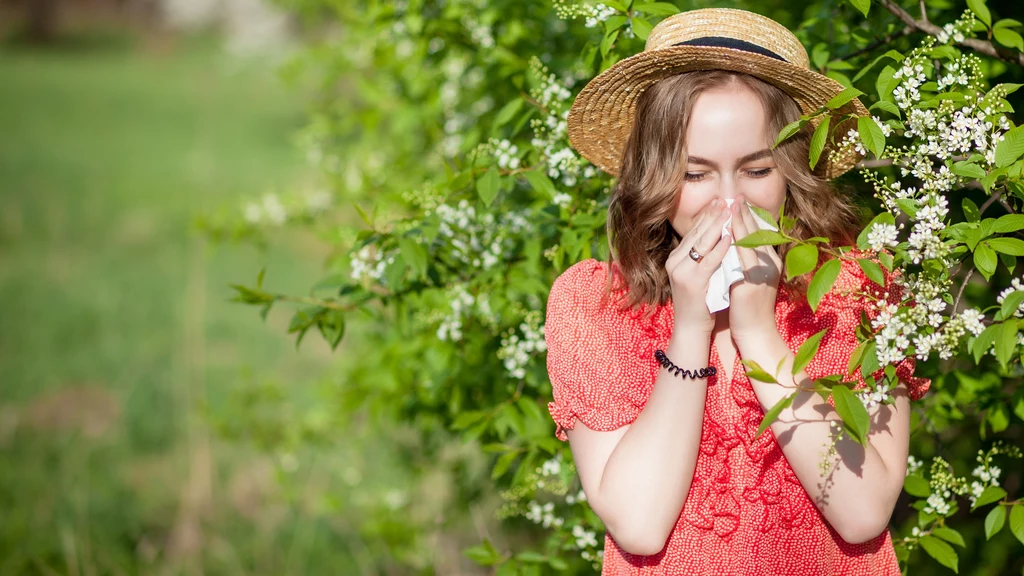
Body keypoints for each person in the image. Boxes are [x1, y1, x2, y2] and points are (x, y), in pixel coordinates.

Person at [544, 8, 931, 575]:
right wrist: (691, 326)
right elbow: (639, 524)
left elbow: (863, 511)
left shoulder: (857, 288)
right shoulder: (595, 305)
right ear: (654, 175)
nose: (728, 202)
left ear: (792, 170)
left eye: (755, 170)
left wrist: (756, 329)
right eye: (695, 174)